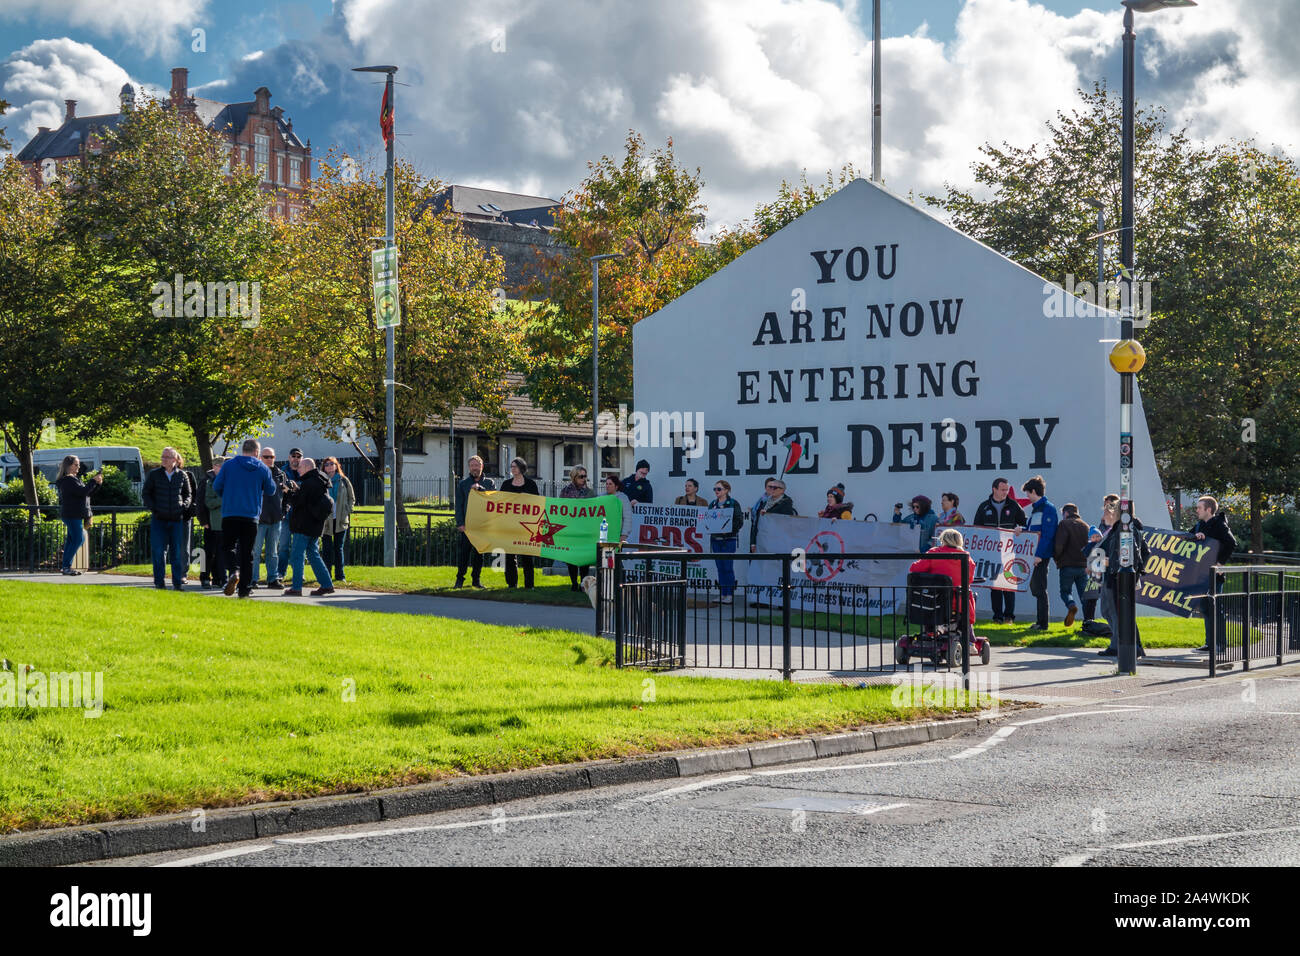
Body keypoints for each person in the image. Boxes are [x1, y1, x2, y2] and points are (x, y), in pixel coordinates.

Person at [212, 438, 277, 598]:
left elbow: (216, 486)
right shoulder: (262, 467)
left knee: (228, 546)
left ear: (243, 450)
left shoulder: (228, 465)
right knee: (248, 553)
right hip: (251, 515)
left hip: (230, 513)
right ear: (256, 452)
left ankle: (234, 571)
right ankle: (244, 590)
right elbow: (271, 490)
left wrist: (227, 496)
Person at [1098, 503, 1149, 658]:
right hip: (1114, 575)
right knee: (1112, 612)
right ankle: (1125, 645)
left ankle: (1126, 646)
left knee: (1120, 613)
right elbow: (1145, 553)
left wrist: (1119, 564)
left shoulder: (1126, 529)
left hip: (1117, 576)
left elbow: (1138, 553)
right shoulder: (1122, 528)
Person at [973, 477, 1027, 623]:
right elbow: (976, 528)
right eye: (1002, 489)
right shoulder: (984, 507)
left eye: (1007, 489)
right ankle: (997, 616)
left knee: (1009, 583)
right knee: (995, 585)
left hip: (1009, 552)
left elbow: (1025, 524)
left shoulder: (1014, 506)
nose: (1005, 492)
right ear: (994, 489)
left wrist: (1020, 529)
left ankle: (1009, 616)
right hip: (991, 554)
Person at [141, 446, 193, 591]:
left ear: (175, 460)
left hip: (176, 520)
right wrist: (155, 508)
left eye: (167, 457)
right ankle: (159, 582)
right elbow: (146, 494)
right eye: (162, 456)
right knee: (158, 552)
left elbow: (188, 494)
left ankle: (177, 583)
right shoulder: (154, 475)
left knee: (176, 553)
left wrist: (183, 506)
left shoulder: (182, 475)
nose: (163, 459)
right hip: (159, 519)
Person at [282, 457, 335, 597]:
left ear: (306, 467)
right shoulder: (320, 480)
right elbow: (308, 500)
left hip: (303, 526)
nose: (298, 469)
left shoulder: (308, 482)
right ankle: (326, 584)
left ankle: (296, 587)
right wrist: (297, 489)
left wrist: (289, 492)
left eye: (300, 467)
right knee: (313, 555)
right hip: (315, 525)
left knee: (297, 556)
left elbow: (299, 502)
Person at [909, 528, 978, 634]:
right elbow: (969, 580)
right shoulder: (966, 558)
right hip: (957, 602)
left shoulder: (934, 553)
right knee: (969, 594)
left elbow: (914, 569)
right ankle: (970, 639)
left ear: (943, 540)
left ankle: (930, 631)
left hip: (933, 600)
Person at [1192, 495, 1236, 655]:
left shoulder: (1219, 525)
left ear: (1208, 509)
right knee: (1205, 607)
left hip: (1214, 575)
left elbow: (1231, 543)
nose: (1196, 510)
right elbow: (1185, 537)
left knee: (1215, 608)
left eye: (1199, 508)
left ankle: (1220, 644)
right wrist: (1195, 537)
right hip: (1202, 575)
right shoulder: (1199, 525)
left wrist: (1220, 564)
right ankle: (1209, 643)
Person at [1022, 475, 1059, 631]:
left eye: (1028, 494)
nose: (1027, 497)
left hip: (1040, 556)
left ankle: (1043, 624)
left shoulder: (1047, 509)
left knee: (1040, 588)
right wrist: (1021, 530)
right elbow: (1032, 531)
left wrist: (1039, 555)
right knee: (1036, 588)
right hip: (1034, 555)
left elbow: (1048, 535)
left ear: (1033, 491)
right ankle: (1040, 622)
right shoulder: (1036, 509)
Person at [54, 455, 102, 576]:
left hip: (74, 514)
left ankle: (66, 566)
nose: (78, 467)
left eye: (78, 465)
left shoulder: (73, 479)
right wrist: (93, 481)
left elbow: (87, 494)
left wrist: (97, 484)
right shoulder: (68, 480)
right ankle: (66, 566)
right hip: (72, 515)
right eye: (76, 464)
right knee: (79, 539)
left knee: (72, 540)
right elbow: (83, 492)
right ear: (68, 466)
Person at [454, 455, 496, 588]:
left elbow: (494, 501)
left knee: (479, 554)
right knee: (464, 554)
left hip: (482, 526)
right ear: (469, 468)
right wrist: (460, 523)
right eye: (472, 466)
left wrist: (481, 490)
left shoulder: (490, 483)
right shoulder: (463, 484)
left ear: (482, 466)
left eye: (477, 465)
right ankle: (459, 580)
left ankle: (476, 580)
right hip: (467, 526)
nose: (474, 468)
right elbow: (458, 506)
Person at [499, 457, 540, 588]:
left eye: (515, 466)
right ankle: (512, 584)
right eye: (511, 467)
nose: (512, 469)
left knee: (527, 556)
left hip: (527, 526)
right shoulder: (506, 484)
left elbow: (537, 503)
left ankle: (529, 585)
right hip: (509, 526)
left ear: (521, 468)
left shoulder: (531, 484)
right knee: (509, 556)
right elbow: (499, 502)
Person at [252, 446, 286, 588]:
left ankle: (272, 579)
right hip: (259, 519)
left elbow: (287, 495)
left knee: (273, 552)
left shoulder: (280, 474)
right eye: (266, 457)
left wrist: (284, 511)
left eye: (271, 457)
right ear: (260, 457)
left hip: (275, 519)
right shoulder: (256, 472)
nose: (269, 459)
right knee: (256, 551)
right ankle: (252, 579)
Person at [1083, 495, 1120, 624]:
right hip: (1101, 566)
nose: (1103, 514)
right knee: (1095, 599)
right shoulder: (1105, 525)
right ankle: (1088, 621)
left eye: (1106, 507)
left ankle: (1121, 639)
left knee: (1110, 609)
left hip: (1109, 569)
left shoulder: (1119, 530)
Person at [1054, 503, 1090, 628]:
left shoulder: (1064, 524)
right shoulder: (1085, 526)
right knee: (1085, 596)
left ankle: (1071, 605)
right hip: (1083, 567)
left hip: (1067, 565)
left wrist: (1057, 559)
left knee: (1065, 591)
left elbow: (1059, 545)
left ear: (1066, 513)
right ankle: (1088, 622)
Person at [708, 479, 744, 604]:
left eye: (719, 489)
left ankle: (729, 594)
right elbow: (708, 520)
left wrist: (727, 530)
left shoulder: (733, 503)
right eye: (715, 489)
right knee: (720, 567)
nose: (716, 491)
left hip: (728, 540)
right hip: (716, 539)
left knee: (728, 567)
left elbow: (739, 521)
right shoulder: (713, 504)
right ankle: (722, 593)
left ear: (726, 490)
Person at [559, 465, 595, 591]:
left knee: (584, 558)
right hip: (570, 529)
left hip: (585, 530)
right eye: (581, 476)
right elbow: (560, 509)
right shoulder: (565, 491)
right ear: (574, 477)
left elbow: (594, 510)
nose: (584, 479)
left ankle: (583, 583)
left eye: (585, 476)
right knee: (571, 557)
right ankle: (574, 583)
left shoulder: (590, 493)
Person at [320, 457, 355, 585]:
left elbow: (352, 498)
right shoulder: (321, 481)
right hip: (326, 520)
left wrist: (347, 510)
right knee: (327, 548)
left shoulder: (344, 480)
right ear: (324, 467)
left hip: (340, 519)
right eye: (327, 464)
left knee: (338, 548)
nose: (329, 466)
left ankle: (340, 575)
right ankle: (326, 575)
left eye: (332, 464)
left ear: (336, 466)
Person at [199, 458, 227, 589]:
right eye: (221, 466)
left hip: (225, 522)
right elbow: (201, 502)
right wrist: (203, 521)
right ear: (215, 466)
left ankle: (219, 578)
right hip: (209, 522)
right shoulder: (206, 480)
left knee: (221, 552)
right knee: (208, 552)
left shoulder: (228, 480)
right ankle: (204, 577)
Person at [276, 448, 304, 576]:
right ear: (289, 457)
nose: (296, 459)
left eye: (299, 456)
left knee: (299, 548)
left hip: (300, 514)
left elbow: (305, 488)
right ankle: (281, 572)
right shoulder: (282, 472)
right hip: (285, 515)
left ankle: (299, 573)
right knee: (283, 546)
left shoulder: (304, 471)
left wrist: (293, 486)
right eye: (294, 456)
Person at [750, 479, 794, 552]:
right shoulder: (764, 502)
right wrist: (753, 542)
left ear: (782, 490)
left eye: (775, 488)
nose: (772, 489)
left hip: (778, 542)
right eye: (770, 487)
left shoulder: (786, 503)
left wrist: (768, 514)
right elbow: (756, 523)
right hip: (762, 541)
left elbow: (786, 522)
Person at [177, 452, 198, 582]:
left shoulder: (188, 476)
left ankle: (182, 573)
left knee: (184, 547)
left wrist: (189, 509)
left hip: (184, 516)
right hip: (167, 517)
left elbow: (194, 494)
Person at [603, 474, 634, 543]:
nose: (607, 486)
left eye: (610, 484)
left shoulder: (623, 498)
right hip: (604, 533)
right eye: (607, 484)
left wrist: (624, 534)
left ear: (616, 487)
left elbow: (627, 517)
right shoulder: (601, 497)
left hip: (617, 534)